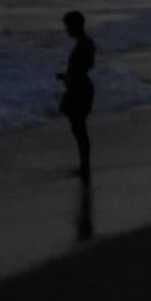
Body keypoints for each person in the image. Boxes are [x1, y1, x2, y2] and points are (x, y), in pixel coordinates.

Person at [55, 11, 95, 180]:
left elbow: (79, 70)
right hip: (82, 87)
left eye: (67, 26)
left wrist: (69, 78)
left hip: (79, 90)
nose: (66, 30)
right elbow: (85, 67)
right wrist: (67, 76)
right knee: (79, 128)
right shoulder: (87, 43)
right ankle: (84, 163)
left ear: (74, 26)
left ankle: (84, 165)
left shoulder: (82, 46)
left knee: (79, 129)